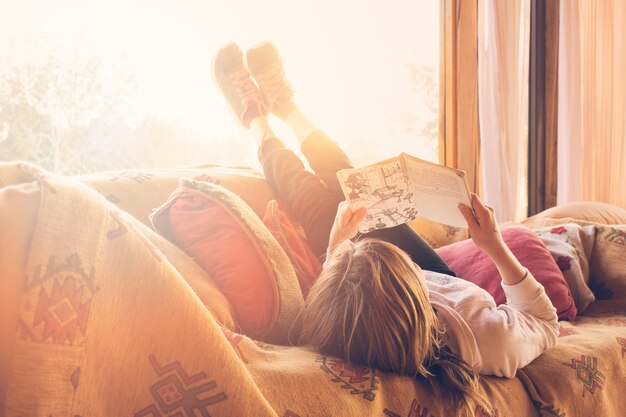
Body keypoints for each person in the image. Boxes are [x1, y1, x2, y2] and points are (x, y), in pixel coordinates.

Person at [213, 42, 559, 412]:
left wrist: (336, 250)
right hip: (424, 299)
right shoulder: (489, 337)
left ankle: (256, 120)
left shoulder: (346, 321)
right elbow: (544, 321)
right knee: (364, 198)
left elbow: (346, 301)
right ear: (416, 283)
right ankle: (288, 107)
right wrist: (494, 246)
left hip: (373, 296)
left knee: (315, 197)